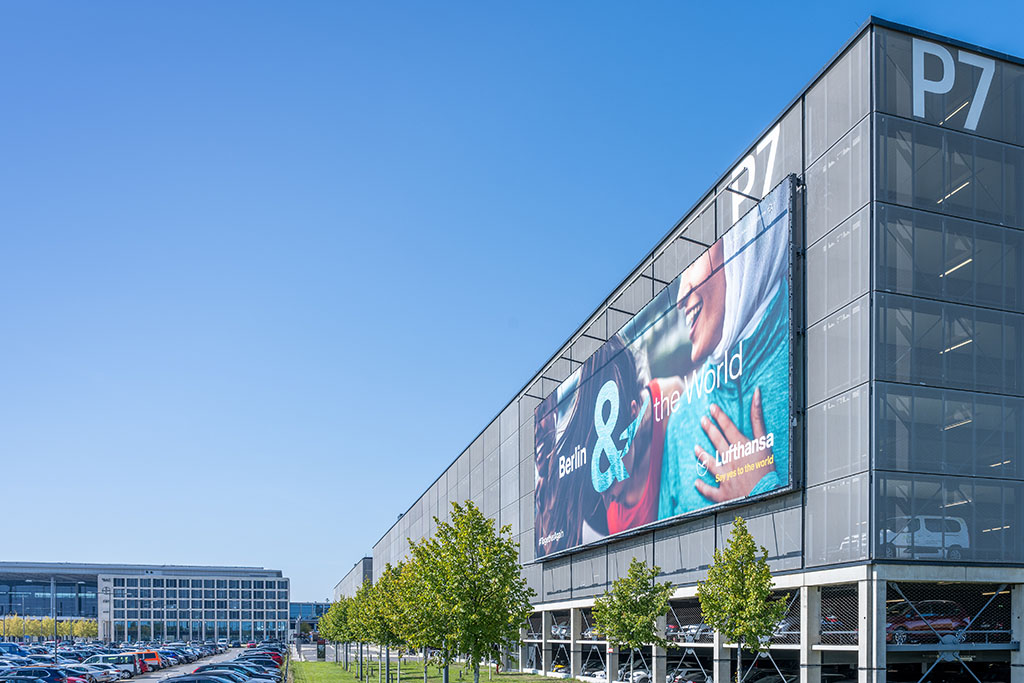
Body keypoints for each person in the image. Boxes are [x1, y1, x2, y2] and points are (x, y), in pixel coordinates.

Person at [658, 193, 791, 518]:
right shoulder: (680, 422)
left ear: (741, 242)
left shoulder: (816, 345)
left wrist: (760, 489)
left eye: (693, 262)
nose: (679, 296)